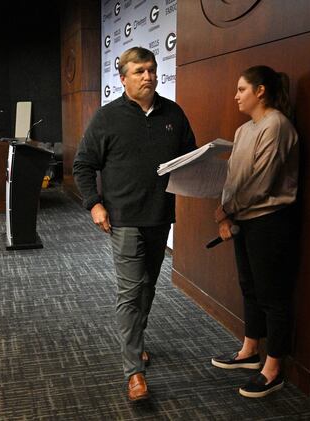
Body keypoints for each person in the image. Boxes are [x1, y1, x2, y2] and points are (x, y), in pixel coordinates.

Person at [73, 47, 196, 401]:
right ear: (123, 78)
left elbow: (189, 155)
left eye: (152, 70)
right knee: (129, 292)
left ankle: (136, 341)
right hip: (123, 219)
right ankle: (134, 373)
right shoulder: (107, 118)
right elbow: (83, 164)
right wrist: (94, 203)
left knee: (147, 288)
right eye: (140, 71)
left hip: (160, 217)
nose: (149, 76)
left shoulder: (173, 113)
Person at [211, 65, 299, 398]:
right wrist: (224, 215)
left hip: (269, 221)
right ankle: (249, 352)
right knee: (249, 286)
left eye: (241, 90)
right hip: (243, 219)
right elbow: (232, 180)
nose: (235, 96)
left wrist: (227, 211)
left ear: (260, 91)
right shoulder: (244, 130)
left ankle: (273, 369)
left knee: (272, 295)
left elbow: (261, 184)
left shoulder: (276, 125)